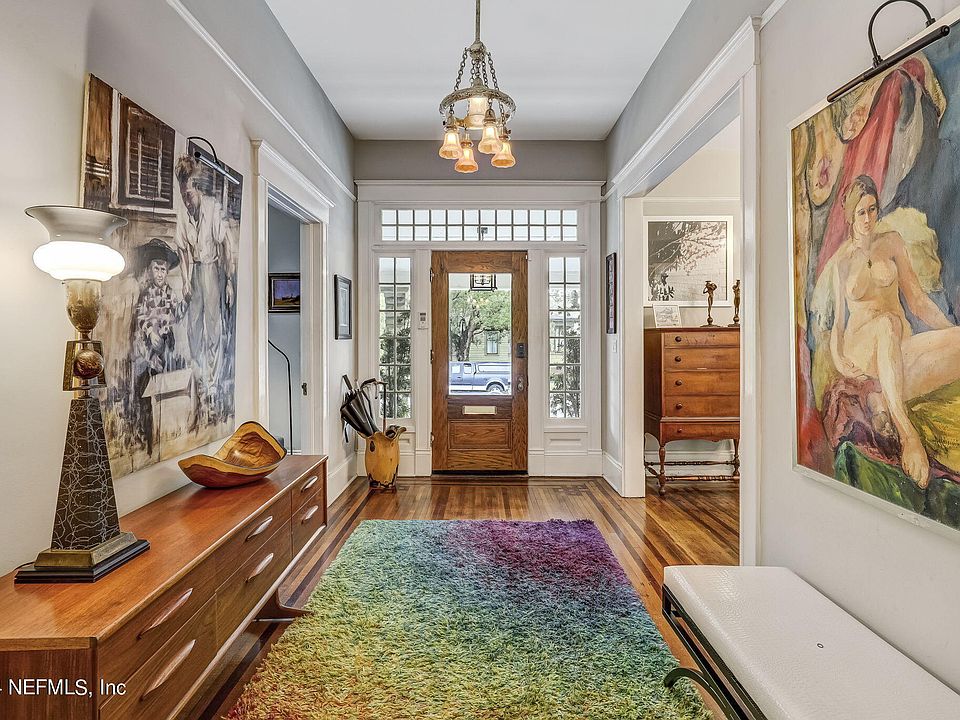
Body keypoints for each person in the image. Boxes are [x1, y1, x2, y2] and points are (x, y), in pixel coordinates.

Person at [830, 175, 960, 488]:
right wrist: (837, 358)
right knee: (888, 322)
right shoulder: (842, 263)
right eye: (861, 212)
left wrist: (950, 332)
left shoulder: (892, 242)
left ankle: (882, 398)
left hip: (897, 349)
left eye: (872, 210)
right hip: (862, 347)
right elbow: (838, 323)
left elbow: (917, 301)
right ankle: (907, 435)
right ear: (850, 216)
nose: (867, 219)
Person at [174, 155, 235, 421]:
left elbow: (226, 245)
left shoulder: (212, 208)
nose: (187, 201)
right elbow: (182, 250)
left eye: (189, 195)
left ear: (197, 189)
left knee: (213, 327)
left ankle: (212, 384)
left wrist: (229, 281)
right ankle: (199, 379)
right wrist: (186, 280)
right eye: (183, 196)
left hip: (212, 270)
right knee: (193, 327)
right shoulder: (183, 214)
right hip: (196, 270)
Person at [133, 238, 185, 456]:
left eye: (163, 269)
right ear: (151, 270)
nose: (160, 273)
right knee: (147, 387)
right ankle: (145, 433)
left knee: (165, 386)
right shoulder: (146, 294)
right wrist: (150, 332)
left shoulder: (170, 294)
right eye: (157, 269)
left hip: (165, 346)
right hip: (148, 348)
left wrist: (184, 303)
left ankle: (164, 431)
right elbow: (141, 316)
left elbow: (176, 315)